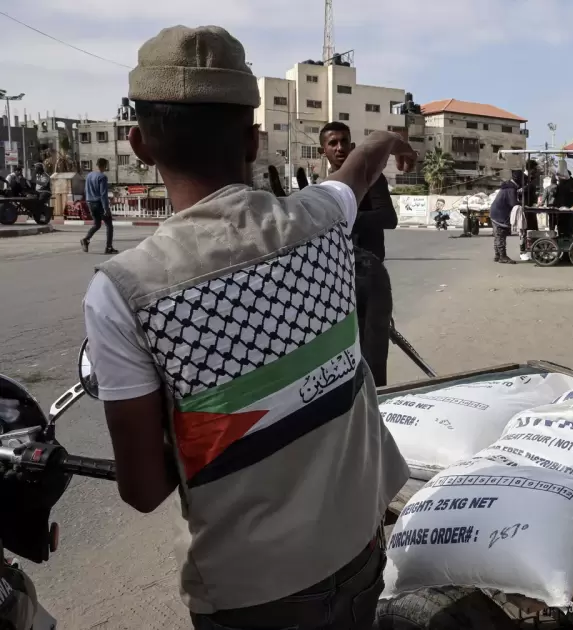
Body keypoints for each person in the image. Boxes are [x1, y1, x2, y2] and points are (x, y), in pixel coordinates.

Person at [80, 26, 413, 630]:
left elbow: (144, 490)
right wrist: (390, 138)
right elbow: (360, 171)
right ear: (254, 141)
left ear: (138, 144)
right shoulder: (321, 221)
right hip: (361, 548)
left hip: (253, 594)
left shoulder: (125, 291)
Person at [319, 121, 398, 386]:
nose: (339, 148)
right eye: (333, 143)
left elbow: (389, 217)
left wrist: (344, 216)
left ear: (353, 147)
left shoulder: (371, 179)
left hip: (369, 278)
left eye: (344, 142)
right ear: (323, 151)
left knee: (372, 356)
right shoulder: (322, 188)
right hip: (337, 278)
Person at [82, 158, 116, 254]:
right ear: (104, 166)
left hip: (90, 202)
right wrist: (106, 208)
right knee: (109, 225)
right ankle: (108, 247)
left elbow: (85, 191)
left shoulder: (89, 175)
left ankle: (86, 239)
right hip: (99, 203)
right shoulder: (102, 177)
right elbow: (103, 194)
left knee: (97, 224)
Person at [490, 171, 523, 264]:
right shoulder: (511, 189)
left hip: (495, 212)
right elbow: (513, 203)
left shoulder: (508, 186)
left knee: (497, 235)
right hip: (500, 214)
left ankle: (497, 255)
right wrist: (521, 203)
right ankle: (502, 257)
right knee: (500, 235)